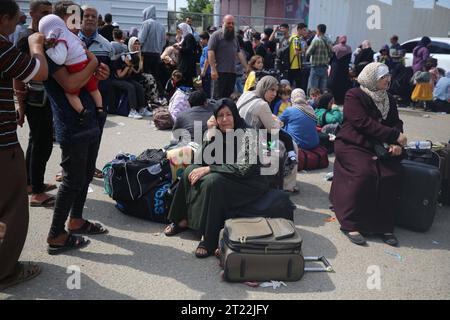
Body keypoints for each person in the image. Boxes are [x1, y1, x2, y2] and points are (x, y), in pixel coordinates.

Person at [44, 0, 110, 255]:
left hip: (90, 120)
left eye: (77, 19)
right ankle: (56, 234)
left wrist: (98, 73)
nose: (76, 23)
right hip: (72, 124)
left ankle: (77, 220)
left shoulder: (74, 44)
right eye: (71, 18)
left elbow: (86, 77)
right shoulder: (52, 48)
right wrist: (92, 64)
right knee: (72, 179)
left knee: (83, 176)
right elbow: (70, 85)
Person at [164, 98, 270, 258]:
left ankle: (209, 239)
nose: (225, 119)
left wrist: (210, 169)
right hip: (225, 173)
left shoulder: (249, 134)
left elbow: (243, 169)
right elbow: (200, 160)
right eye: (220, 115)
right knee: (189, 170)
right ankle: (181, 219)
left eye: (228, 114)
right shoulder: (217, 131)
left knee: (214, 182)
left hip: (248, 182)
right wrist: (210, 134)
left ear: (235, 115)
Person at [330, 62, 407, 247]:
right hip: (353, 143)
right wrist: (393, 135)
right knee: (364, 174)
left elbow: (396, 122)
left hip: (380, 145)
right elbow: (361, 122)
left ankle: (383, 225)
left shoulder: (388, 98)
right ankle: (350, 223)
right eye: (382, 77)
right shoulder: (354, 95)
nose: (387, 80)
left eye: (388, 76)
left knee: (391, 174)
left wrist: (395, 143)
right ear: (371, 78)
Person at [0, 0, 48, 290]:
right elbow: (38, 72)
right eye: (17, 21)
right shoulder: (2, 46)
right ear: (4, 18)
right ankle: (6, 272)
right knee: (13, 205)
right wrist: (35, 44)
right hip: (3, 144)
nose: (19, 26)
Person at [14, 0, 55, 208]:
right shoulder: (26, 39)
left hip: (43, 100)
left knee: (35, 141)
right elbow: (18, 76)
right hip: (36, 100)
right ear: (32, 14)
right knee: (43, 144)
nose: (48, 16)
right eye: (44, 13)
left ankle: (31, 183)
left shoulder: (44, 37)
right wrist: (21, 108)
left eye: (51, 13)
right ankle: (37, 193)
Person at [39, 14, 104, 120]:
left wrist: (49, 49)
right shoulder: (68, 36)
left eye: (78, 22)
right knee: (94, 90)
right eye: (72, 22)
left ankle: (82, 111)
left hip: (76, 67)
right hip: (85, 62)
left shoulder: (61, 39)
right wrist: (93, 63)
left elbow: (60, 59)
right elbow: (70, 85)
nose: (77, 27)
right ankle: (100, 108)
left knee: (71, 95)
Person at [237, 76, 299, 188]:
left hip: (239, 136)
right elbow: (274, 129)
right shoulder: (262, 104)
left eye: (276, 90)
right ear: (264, 88)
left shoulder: (246, 94)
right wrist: (279, 122)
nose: (274, 94)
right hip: (251, 141)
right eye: (272, 90)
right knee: (290, 145)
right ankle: (287, 185)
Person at [208, 15, 248, 99]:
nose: (231, 25)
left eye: (233, 23)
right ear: (223, 23)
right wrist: (213, 69)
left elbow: (239, 53)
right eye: (228, 23)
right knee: (217, 98)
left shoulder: (235, 38)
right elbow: (210, 52)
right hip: (219, 73)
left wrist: (246, 67)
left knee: (227, 98)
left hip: (232, 73)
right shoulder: (216, 35)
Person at [138, 5, 166, 96]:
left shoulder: (146, 23)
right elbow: (163, 42)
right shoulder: (161, 26)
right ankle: (160, 95)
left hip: (146, 54)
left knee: (145, 76)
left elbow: (140, 40)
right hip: (157, 55)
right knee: (156, 76)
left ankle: (146, 96)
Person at [306, 24, 333, 93]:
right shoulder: (329, 41)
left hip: (315, 67)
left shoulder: (316, 41)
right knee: (322, 89)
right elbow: (331, 54)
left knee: (313, 89)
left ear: (318, 31)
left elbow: (308, 53)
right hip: (324, 68)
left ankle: (313, 102)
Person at [328, 35, 352, 106]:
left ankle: (333, 99)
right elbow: (349, 59)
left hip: (335, 68)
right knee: (343, 84)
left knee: (334, 83)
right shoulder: (349, 48)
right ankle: (341, 100)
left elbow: (330, 59)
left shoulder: (335, 48)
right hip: (344, 69)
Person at [176, 23, 197, 88]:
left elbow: (189, 49)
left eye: (180, 29)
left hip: (187, 64)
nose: (179, 31)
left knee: (186, 80)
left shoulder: (189, 36)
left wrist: (180, 48)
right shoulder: (184, 37)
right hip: (184, 63)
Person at [199, 32, 211, 98]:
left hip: (207, 72)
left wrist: (203, 71)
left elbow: (207, 60)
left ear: (206, 39)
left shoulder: (207, 48)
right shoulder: (205, 48)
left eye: (201, 39)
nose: (200, 41)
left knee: (206, 90)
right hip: (206, 72)